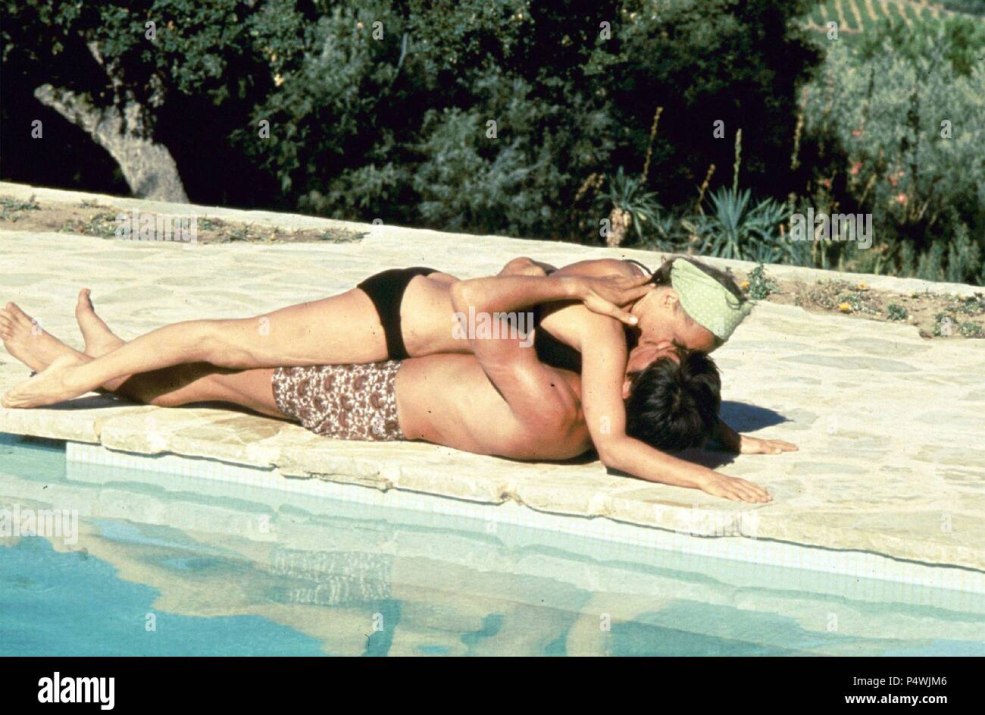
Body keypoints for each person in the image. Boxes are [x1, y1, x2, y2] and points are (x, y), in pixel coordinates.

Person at [1, 256, 797, 496]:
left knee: (221, 371)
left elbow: (516, 272)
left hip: (417, 341)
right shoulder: (603, 312)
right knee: (226, 348)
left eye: (684, 356)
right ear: (658, 297)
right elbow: (510, 286)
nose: (676, 353)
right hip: (396, 317)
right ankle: (63, 376)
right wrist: (564, 290)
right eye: (680, 341)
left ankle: (96, 358)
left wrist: (713, 437)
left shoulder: (619, 341)